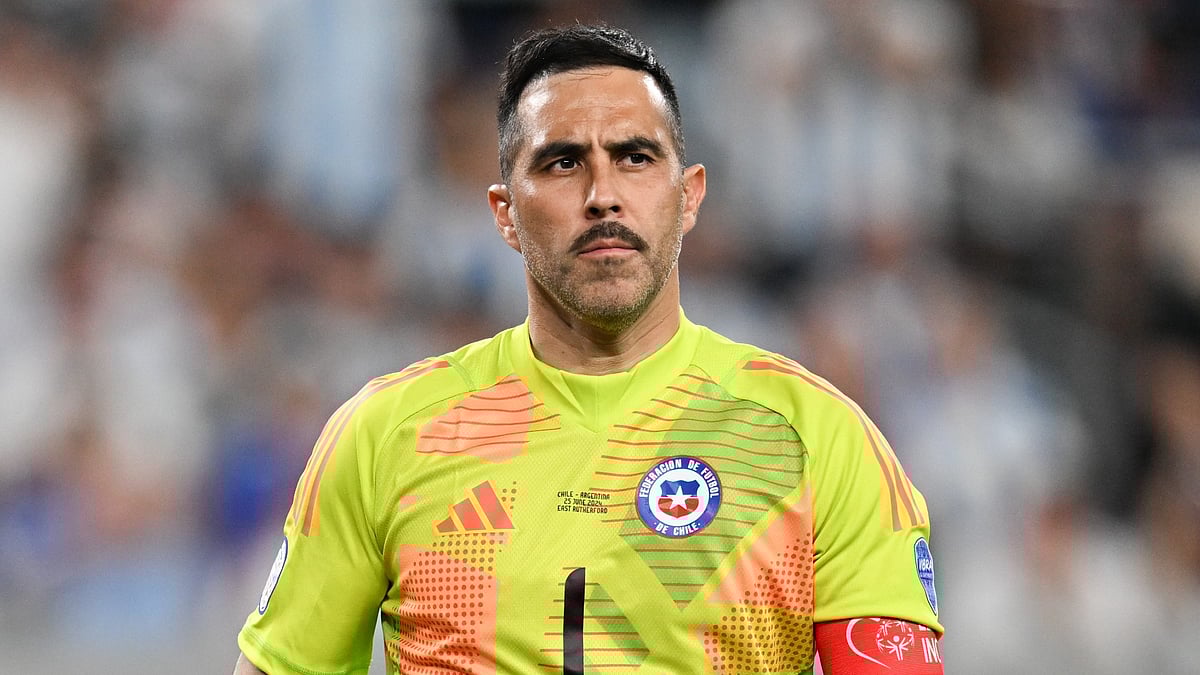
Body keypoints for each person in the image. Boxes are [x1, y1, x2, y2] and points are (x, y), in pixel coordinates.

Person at [233, 24, 944, 675]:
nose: (603, 194)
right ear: (504, 214)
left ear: (688, 196)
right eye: (563, 162)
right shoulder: (387, 435)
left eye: (635, 156)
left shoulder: (818, 439)